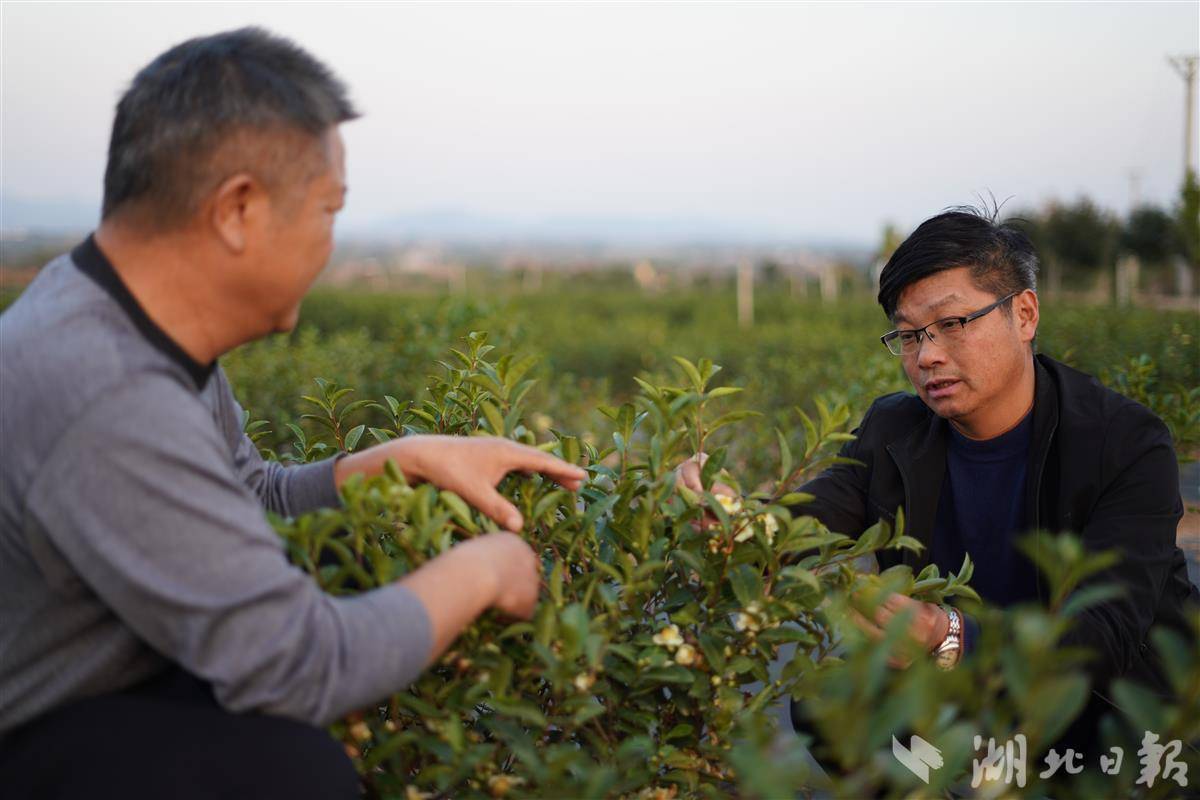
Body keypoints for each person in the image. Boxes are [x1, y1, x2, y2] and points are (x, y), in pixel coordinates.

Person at [0, 28, 585, 799]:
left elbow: (248, 497)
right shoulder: (108, 393)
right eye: (327, 209)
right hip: (34, 736)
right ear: (238, 208)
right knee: (288, 770)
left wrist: (397, 459)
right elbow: (303, 665)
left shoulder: (112, 313)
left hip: (99, 690)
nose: (330, 242)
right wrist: (483, 570)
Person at [678, 207, 1198, 754]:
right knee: (833, 702)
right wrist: (732, 513)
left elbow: (1104, 635)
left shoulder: (1125, 443)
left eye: (952, 324)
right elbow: (802, 521)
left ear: (1023, 314)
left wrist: (946, 634)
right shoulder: (895, 431)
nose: (928, 355)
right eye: (909, 336)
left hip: (1110, 720)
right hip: (966, 705)